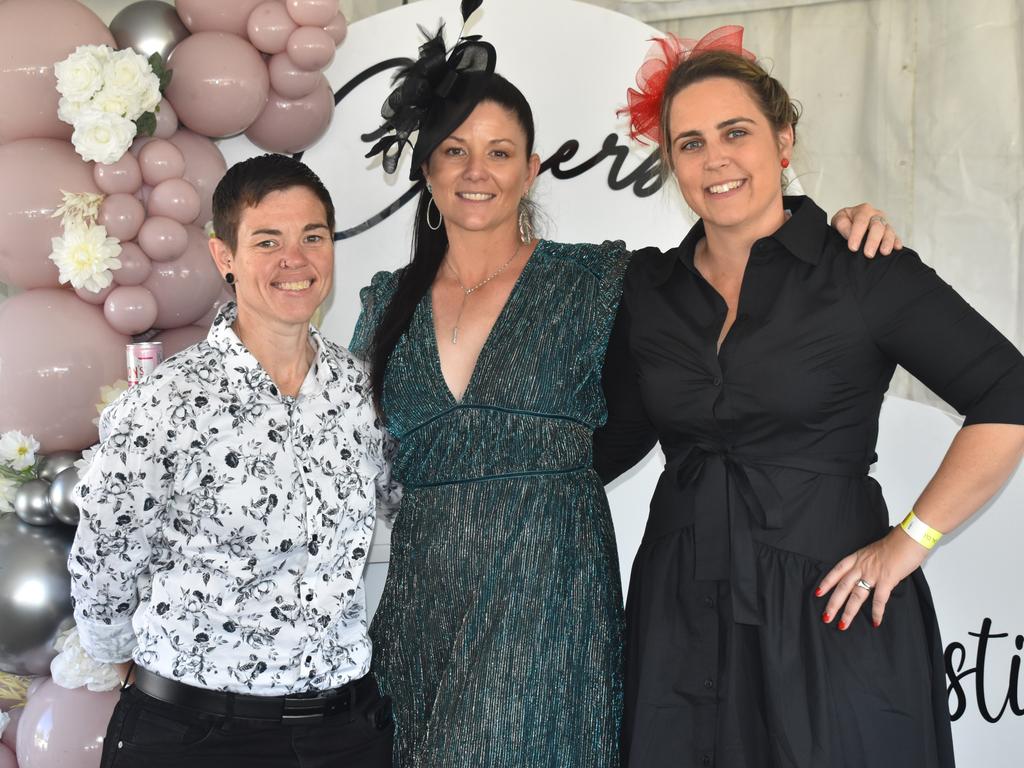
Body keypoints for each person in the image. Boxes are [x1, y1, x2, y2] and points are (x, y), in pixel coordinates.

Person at [352, 22, 903, 768]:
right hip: (421, 605)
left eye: (499, 152)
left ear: (532, 169)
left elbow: (713, 307)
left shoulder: (603, 281)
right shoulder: (385, 303)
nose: (475, 170)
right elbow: (349, 454)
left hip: (546, 597)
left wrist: (842, 224)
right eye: (454, 150)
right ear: (426, 170)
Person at [595, 26, 1024, 768]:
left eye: (736, 132)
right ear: (670, 162)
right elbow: (612, 437)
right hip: (682, 616)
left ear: (783, 139)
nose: (715, 159)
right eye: (690, 143)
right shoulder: (647, 291)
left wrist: (909, 543)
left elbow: (1008, 393)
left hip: (832, 612)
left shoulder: (861, 269)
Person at [69, 154, 398, 768]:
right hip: (194, 736)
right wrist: (129, 659)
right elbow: (104, 559)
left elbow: (403, 503)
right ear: (225, 257)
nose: (294, 260)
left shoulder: (361, 393)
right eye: (267, 241)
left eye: (312, 237)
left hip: (342, 733)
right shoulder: (168, 401)